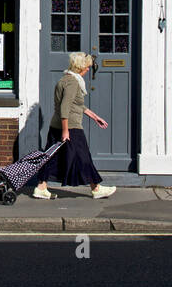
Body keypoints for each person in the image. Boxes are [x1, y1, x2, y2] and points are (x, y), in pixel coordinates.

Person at [33, 52, 116, 199]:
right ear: (81, 67)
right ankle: (96, 188)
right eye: (88, 66)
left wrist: (95, 117)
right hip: (70, 127)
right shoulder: (72, 83)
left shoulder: (66, 79)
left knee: (51, 157)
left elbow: (77, 105)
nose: (89, 69)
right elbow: (65, 107)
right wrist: (66, 131)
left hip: (57, 125)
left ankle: (41, 187)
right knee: (83, 157)